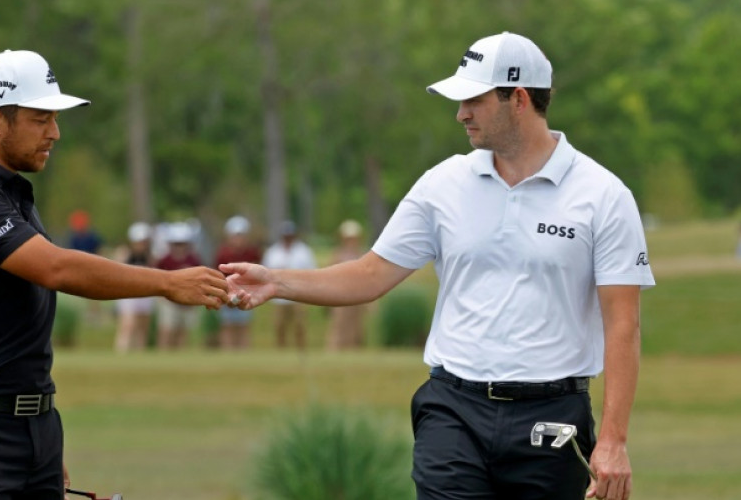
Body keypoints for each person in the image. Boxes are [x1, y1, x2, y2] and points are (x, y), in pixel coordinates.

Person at [223, 32, 655, 500]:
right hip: (453, 410)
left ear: (520, 99)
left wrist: (612, 440)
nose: (461, 113)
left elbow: (622, 323)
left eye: (474, 99)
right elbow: (371, 274)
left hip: (552, 417)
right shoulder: (443, 183)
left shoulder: (603, 195)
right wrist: (277, 281)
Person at [0, 49, 229, 500]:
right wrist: (169, 282)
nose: (55, 133)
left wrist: (36, 434)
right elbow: (57, 268)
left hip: (29, 429)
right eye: (41, 119)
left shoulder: (13, 197)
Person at [261, 220, 317, 349]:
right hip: (279, 296)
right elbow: (265, 271)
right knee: (279, 325)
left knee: (300, 324)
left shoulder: (303, 251)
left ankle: (301, 349)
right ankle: (281, 350)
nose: (288, 238)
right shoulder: (273, 251)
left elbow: (313, 271)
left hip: (299, 295)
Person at [214, 215, 262, 349]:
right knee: (227, 326)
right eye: (236, 235)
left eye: (241, 235)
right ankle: (228, 353)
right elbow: (218, 273)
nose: (238, 239)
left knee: (243, 326)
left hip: (247, 292)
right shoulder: (223, 253)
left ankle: (243, 355)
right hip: (227, 292)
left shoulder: (252, 252)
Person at [155, 221, 203, 349]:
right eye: (176, 244)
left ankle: (181, 357)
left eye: (182, 244)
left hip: (188, 302)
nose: (179, 247)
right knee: (167, 330)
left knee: (184, 331)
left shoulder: (194, 260)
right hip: (169, 300)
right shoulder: (165, 260)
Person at [325, 219, 368, 350]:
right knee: (338, 325)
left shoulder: (362, 255)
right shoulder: (338, 255)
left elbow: (367, 278)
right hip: (339, 297)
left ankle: (354, 350)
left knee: (356, 328)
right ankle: (334, 349)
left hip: (357, 297)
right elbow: (329, 276)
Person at [114, 222, 155, 353]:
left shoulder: (149, 255)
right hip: (127, 294)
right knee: (127, 325)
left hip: (145, 293)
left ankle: (139, 353)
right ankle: (121, 352)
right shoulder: (124, 253)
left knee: (142, 327)